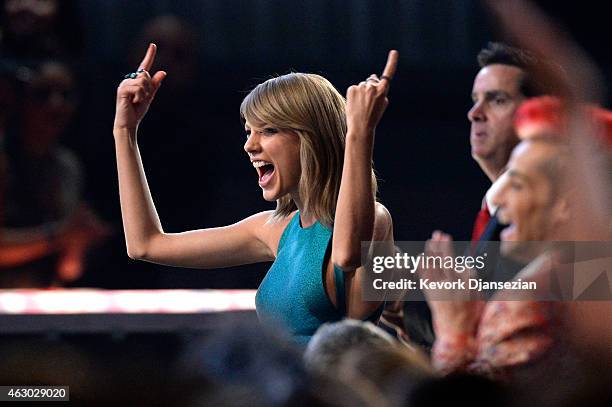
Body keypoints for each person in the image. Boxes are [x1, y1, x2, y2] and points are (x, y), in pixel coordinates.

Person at [113, 44, 398, 344]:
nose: (249, 145)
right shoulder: (274, 229)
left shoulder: (377, 221)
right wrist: (125, 131)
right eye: (249, 131)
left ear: (311, 139)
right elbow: (145, 244)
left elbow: (346, 255)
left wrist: (359, 133)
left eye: (269, 130)